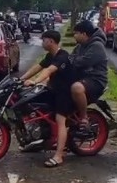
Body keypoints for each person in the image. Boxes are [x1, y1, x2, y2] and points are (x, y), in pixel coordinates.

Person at [19, 30, 75, 168]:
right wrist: (21, 79)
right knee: (34, 106)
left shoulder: (62, 56)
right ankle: (36, 141)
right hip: (52, 89)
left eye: (43, 40)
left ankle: (59, 155)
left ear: (50, 41)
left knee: (60, 120)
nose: (42, 42)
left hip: (64, 92)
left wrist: (35, 81)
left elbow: (48, 70)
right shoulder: (50, 55)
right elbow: (38, 67)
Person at [70, 20, 109, 131]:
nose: (74, 35)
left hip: (96, 80)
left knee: (76, 88)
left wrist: (75, 60)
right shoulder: (80, 46)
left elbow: (83, 62)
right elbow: (70, 59)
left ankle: (84, 117)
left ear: (84, 34)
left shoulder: (97, 46)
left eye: (76, 33)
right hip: (83, 77)